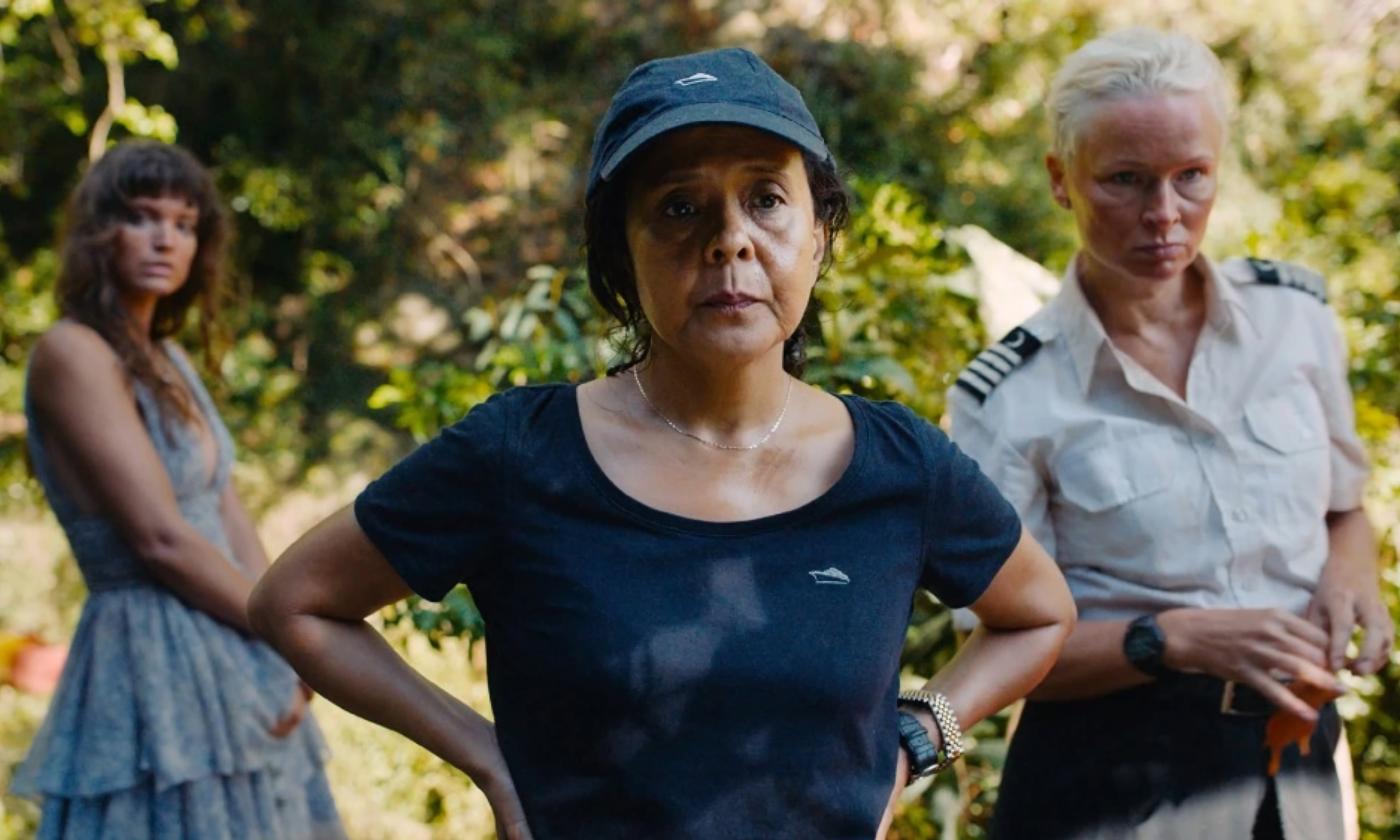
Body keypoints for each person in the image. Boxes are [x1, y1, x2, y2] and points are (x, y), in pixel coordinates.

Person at [249, 47, 1076, 840]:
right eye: (679, 206)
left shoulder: (899, 464)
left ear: (819, 234)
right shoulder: (520, 454)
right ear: (621, 251)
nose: (730, 239)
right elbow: (296, 603)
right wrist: (487, 758)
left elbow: (1039, 617)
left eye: (767, 199)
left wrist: (920, 738)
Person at [947, 29, 1394, 840]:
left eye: (1192, 177)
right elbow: (999, 649)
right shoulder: (1007, 398)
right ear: (1060, 180)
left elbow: (1343, 509)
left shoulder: (1297, 320)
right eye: (1125, 181)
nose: (1165, 215)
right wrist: (1174, 640)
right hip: (1107, 782)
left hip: (1292, 762)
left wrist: (1352, 576)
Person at [10, 141, 344, 839]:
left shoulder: (172, 359)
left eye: (185, 224)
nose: (166, 238)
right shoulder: (73, 352)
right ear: (100, 232)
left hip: (231, 639)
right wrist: (282, 634)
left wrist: (290, 627)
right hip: (151, 653)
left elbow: (227, 511)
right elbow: (159, 539)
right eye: (142, 217)